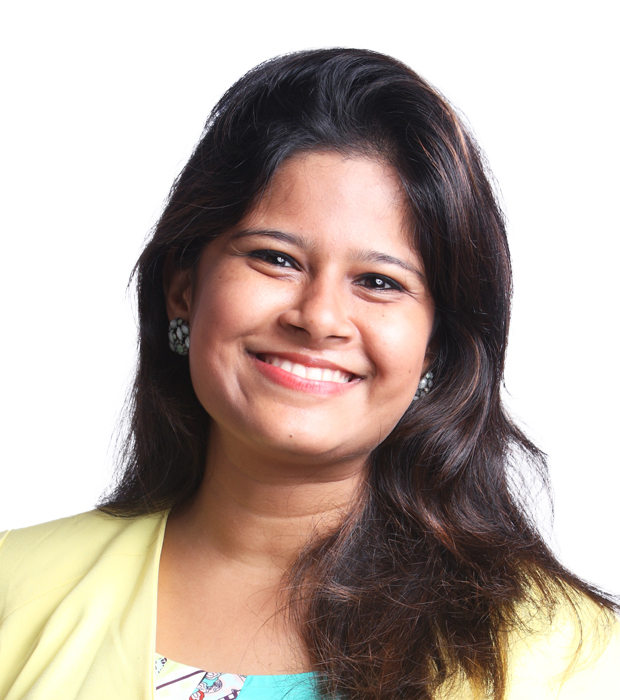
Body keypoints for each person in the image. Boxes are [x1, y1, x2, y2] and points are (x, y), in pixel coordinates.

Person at [0, 48, 617, 700]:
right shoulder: (14, 590)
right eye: (276, 258)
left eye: (379, 282)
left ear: (435, 346)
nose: (319, 317)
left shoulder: (568, 655)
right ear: (183, 289)